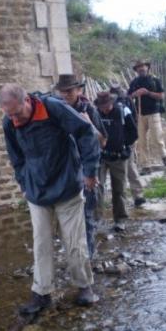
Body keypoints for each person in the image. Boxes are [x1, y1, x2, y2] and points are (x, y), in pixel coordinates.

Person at [0, 84, 100, 314]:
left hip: (67, 185)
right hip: (37, 190)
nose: (15, 119)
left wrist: (90, 171)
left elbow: (85, 132)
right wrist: (24, 183)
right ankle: (41, 292)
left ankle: (84, 286)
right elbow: (16, 158)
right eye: (9, 114)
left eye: (17, 113)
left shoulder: (53, 108)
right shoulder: (9, 122)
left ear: (27, 100)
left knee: (74, 241)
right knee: (41, 243)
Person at [55, 74, 107, 257]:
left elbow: (103, 142)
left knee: (87, 214)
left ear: (79, 90)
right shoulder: (56, 110)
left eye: (69, 91)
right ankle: (72, 253)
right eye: (62, 91)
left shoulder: (89, 110)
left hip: (87, 167)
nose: (65, 95)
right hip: (65, 170)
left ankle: (88, 256)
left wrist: (88, 124)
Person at [94, 92, 138, 231]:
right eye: (102, 106)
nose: (104, 109)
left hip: (119, 156)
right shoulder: (95, 114)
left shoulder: (122, 111)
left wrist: (126, 146)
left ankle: (120, 219)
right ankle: (97, 219)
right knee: (97, 188)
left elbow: (133, 132)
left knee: (119, 189)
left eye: (106, 106)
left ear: (111, 103)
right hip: (100, 156)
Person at [128, 60, 166, 175]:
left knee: (157, 137)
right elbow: (129, 96)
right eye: (138, 67)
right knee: (141, 141)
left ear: (147, 67)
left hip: (154, 113)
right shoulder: (134, 82)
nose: (141, 69)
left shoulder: (155, 80)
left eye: (143, 66)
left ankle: (164, 155)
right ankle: (146, 166)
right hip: (140, 114)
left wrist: (147, 92)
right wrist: (135, 94)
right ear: (136, 70)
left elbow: (161, 96)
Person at [110, 84, 146, 207]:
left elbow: (133, 125)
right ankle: (135, 196)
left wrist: (128, 143)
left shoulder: (124, 107)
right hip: (114, 146)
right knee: (128, 170)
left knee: (129, 169)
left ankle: (137, 196)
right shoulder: (108, 108)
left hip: (125, 144)